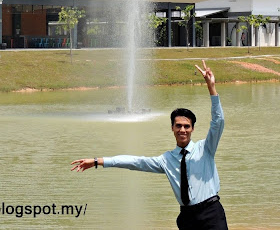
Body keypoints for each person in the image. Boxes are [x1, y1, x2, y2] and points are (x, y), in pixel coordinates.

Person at [71, 60, 227, 230]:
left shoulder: (205, 149)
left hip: (211, 213)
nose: (183, 130)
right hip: (187, 217)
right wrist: (97, 161)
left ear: (193, 129)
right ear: (172, 128)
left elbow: (218, 122)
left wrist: (211, 88)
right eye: (178, 126)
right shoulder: (166, 160)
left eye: (187, 126)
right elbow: (135, 162)